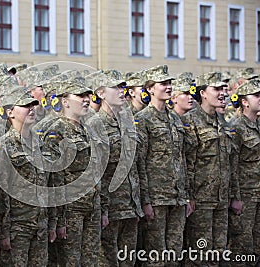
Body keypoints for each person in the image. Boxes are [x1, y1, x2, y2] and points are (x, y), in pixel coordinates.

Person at [0, 86, 56, 267]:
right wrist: (2, 233)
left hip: (40, 225)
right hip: (17, 228)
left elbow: (49, 186)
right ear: (10, 112)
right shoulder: (3, 147)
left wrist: (51, 223)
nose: (32, 109)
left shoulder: (40, 143)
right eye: (26, 106)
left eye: (33, 105)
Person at [182, 71, 241, 266]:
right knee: (200, 255)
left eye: (224, 89)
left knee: (218, 253)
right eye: (216, 89)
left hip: (221, 199)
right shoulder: (190, 121)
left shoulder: (222, 123)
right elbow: (187, 163)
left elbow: (230, 163)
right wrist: (189, 197)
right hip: (201, 200)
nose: (222, 93)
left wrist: (234, 195)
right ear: (203, 93)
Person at [43, 78, 102, 267]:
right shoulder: (56, 131)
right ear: (65, 101)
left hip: (92, 206)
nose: (86, 100)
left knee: (91, 260)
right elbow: (54, 179)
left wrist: (102, 207)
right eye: (80, 96)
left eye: (87, 96)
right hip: (70, 210)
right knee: (70, 261)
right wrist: (58, 219)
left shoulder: (89, 130)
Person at [88, 71, 143, 266]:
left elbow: (136, 165)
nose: (122, 92)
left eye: (123, 87)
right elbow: (96, 174)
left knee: (128, 260)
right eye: (116, 88)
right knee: (108, 261)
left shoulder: (128, 123)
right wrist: (102, 210)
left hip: (130, 205)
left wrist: (139, 202)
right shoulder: (94, 124)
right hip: (110, 207)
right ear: (101, 93)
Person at [134, 65, 188, 266]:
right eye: (163, 83)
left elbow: (181, 158)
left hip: (177, 196)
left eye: (169, 83)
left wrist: (186, 194)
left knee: (174, 254)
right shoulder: (142, 119)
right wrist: (145, 200)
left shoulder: (175, 118)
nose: (168, 87)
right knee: (156, 256)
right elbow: (140, 161)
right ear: (150, 89)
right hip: (156, 197)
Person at [228, 79, 260, 266]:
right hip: (245, 196)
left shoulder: (258, 125)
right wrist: (235, 197)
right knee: (242, 246)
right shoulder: (236, 127)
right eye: (256, 95)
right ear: (244, 102)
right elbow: (232, 165)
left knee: (257, 247)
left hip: (258, 194)